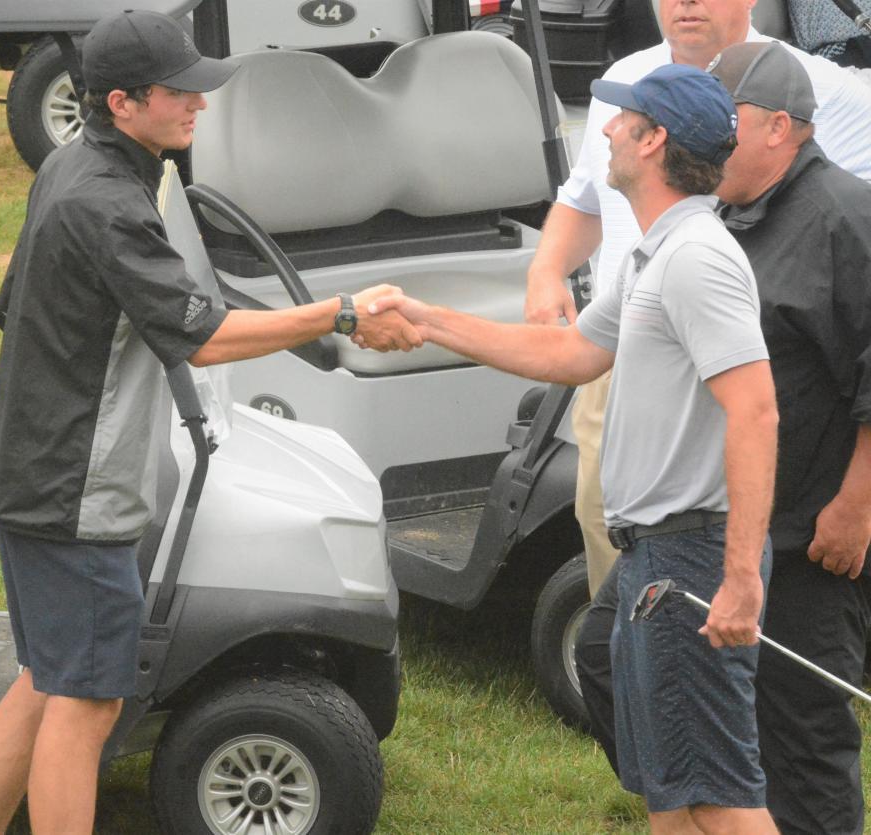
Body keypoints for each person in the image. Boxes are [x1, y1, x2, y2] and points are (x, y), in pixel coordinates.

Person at [0, 10, 421, 835]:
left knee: (43, 686)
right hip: (75, 498)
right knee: (87, 704)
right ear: (123, 102)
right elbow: (202, 338)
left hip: (33, 475)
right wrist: (340, 314)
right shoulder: (106, 200)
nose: (200, 105)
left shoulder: (77, 165)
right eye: (181, 93)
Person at [367, 63, 780, 835]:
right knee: (672, 786)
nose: (609, 131)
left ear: (655, 141)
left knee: (720, 796)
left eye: (623, 120)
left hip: (694, 559)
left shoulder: (698, 258)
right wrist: (428, 320)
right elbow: (570, 355)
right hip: (654, 558)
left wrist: (739, 578)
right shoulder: (653, 255)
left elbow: (756, 412)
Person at [571, 41, 871, 835]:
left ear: (780, 128)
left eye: (724, 118)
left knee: (800, 730)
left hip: (811, 531)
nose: (707, 135)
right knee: (606, 659)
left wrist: (858, 502)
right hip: (712, 526)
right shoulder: (711, 222)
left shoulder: (846, 215)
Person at [526, 0, 871, 602]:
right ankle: (632, 672)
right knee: (608, 531)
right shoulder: (623, 81)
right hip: (618, 349)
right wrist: (548, 268)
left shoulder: (814, 88)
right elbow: (584, 199)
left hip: (742, 358)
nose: (685, 1)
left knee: (725, 554)